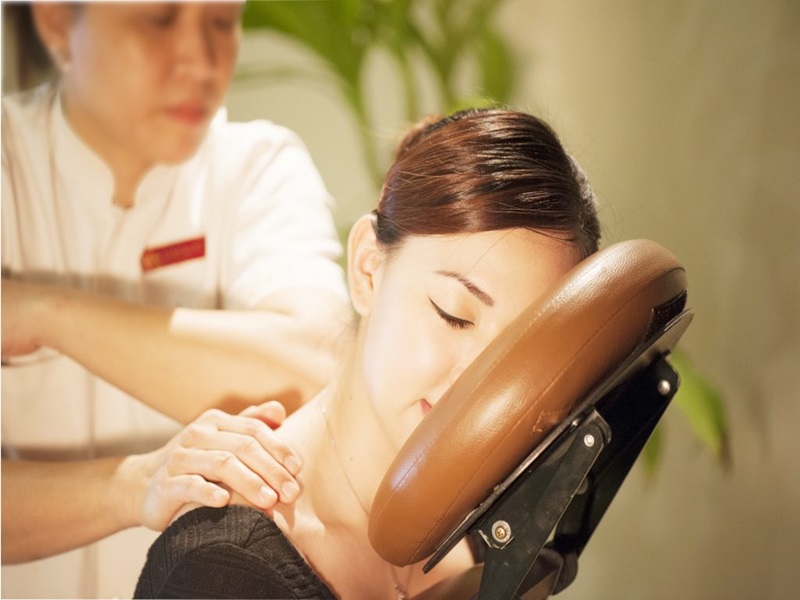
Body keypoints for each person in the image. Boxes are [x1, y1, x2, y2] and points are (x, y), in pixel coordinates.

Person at [134, 107, 602, 599]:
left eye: (517, 356)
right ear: (367, 269)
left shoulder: (488, 534)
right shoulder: (222, 569)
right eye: (453, 315)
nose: (477, 385)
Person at [1, 2, 350, 598]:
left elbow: (315, 370)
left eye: (221, 22)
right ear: (58, 21)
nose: (202, 61)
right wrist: (133, 485)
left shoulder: (257, 168)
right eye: (158, 19)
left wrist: (42, 313)